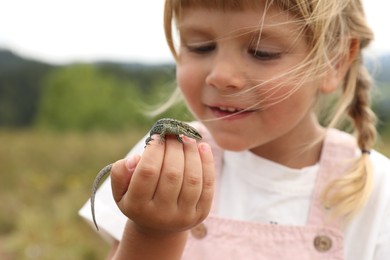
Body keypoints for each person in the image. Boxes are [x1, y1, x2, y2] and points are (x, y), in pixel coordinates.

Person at [79, 0, 390, 259]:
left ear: (333, 63)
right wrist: (152, 232)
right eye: (201, 47)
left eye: (262, 52)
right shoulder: (166, 159)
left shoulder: (378, 189)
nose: (221, 76)